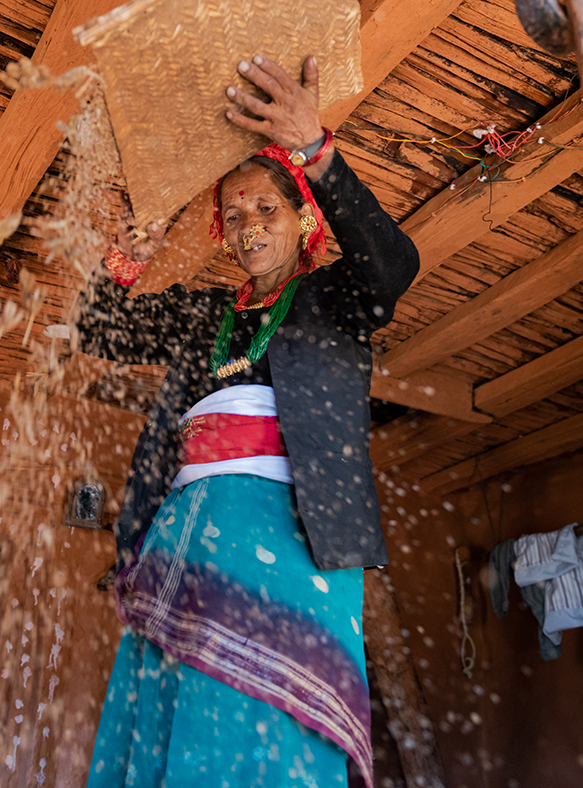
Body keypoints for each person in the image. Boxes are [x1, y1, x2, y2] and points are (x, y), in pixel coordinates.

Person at [77, 54, 419, 788]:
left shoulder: (338, 300)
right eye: (232, 216)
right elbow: (97, 329)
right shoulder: (204, 313)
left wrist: (314, 150)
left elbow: (394, 264)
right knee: (178, 709)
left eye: (265, 208)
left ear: (301, 217)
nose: (247, 225)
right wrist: (127, 260)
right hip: (184, 534)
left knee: (273, 720)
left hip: (300, 538)